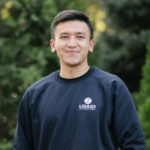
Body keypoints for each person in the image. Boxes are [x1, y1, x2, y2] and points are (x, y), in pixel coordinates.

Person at [13, 10, 146, 150]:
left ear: (91, 44)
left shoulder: (112, 87)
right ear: (53, 45)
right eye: (64, 37)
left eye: (80, 37)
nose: (72, 44)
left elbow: (134, 145)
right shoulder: (34, 94)